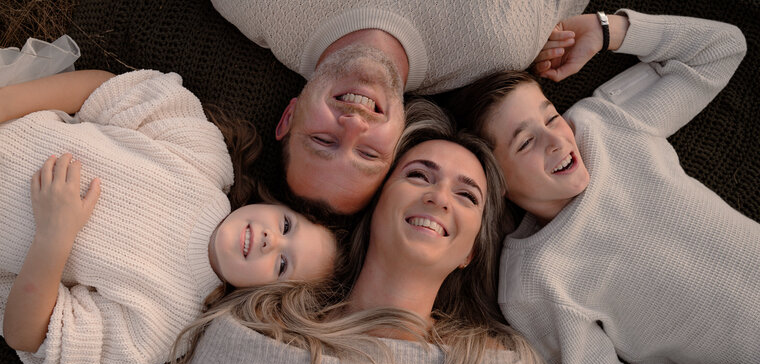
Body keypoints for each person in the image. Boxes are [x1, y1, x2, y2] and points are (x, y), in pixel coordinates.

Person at [131, 100, 596, 364]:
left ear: (472, 250)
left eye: (468, 196)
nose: (439, 198)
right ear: (378, 203)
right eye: (419, 175)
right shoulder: (254, 333)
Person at [450, 10, 759, 364]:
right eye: (525, 142)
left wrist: (608, 30)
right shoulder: (536, 281)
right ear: (495, 183)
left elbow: (721, 49)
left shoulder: (604, 126)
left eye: (550, 116)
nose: (556, 140)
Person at [0, 31, 339, 364]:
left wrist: (54, 235)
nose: (271, 240)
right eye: (287, 226)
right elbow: (105, 90)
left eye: (281, 265)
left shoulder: (163, 326)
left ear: (262, 306)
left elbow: (27, 334)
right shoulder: (204, 159)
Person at [210, 0, 590, 215]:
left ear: (289, 117)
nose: (353, 126)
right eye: (369, 152)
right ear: (401, 140)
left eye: (324, 140)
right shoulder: (501, 43)